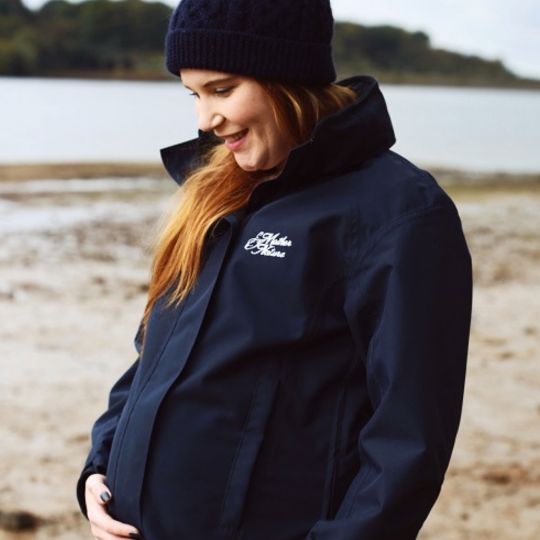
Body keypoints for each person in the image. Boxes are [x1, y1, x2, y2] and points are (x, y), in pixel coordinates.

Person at [76, 1, 473, 539]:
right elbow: (154, 358)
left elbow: (409, 435)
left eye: (222, 89)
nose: (204, 120)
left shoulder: (400, 213)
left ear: (287, 76)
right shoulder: (214, 194)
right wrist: (99, 468)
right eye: (193, 94)